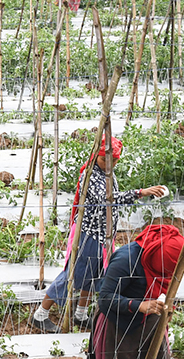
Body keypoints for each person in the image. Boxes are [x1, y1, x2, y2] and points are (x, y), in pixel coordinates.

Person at [31, 136, 167, 333]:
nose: (108, 164)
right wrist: (140, 192)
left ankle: (81, 314)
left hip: (103, 235)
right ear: (96, 156)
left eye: (113, 161)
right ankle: (40, 314)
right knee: (73, 274)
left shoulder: (107, 174)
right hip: (88, 234)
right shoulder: (89, 174)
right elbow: (106, 199)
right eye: (104, 160)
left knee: (94, 275)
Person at [89, 224, 184, 359]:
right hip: (117, 326)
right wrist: (140, 306)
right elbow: (106, 297)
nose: (167, 274)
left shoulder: (163, 262)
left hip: (149, 323)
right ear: (155, 256)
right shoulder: (125, 259)